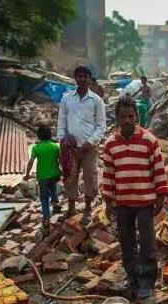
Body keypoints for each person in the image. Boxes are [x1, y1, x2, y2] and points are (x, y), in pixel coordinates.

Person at [101, 97, 168, 304]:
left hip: (145, 202)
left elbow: (158, 169)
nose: (128, 120)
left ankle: (147, 280)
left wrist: (160, 195)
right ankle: (133, 278)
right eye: (123, 117)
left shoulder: (149, 140)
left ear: (137, 116)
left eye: (131, 116)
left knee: (147, 243)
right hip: (122, 202)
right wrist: (108, 199)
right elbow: (108, 174)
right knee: (127, 242)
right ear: (117, 119)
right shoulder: (111, 144)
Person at [57, 65, 106, 219]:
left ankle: (87, 208)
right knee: (70, 178)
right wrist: (63, 140)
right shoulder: (66, 99)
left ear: (89, 79)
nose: (83, 79)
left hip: (89, 149)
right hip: (70, 148)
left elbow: (101, 125)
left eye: (85, 76)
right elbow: (61, 122)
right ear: (75, 79)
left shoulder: (97, 101)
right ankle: (71, 208)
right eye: (80, 76)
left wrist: (90, 142)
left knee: (90, 177)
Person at [24, 125, 61, 231]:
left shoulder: (36, 147)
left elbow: (31, 161)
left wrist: (27, 174)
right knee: (53, 187)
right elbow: (61, 160)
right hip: (54, 174)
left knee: (44, 197)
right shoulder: (55, 146)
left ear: (39, 137)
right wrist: (62, 171)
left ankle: (46, 218)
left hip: (42, 176)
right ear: (50, 135)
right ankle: (55, 202)